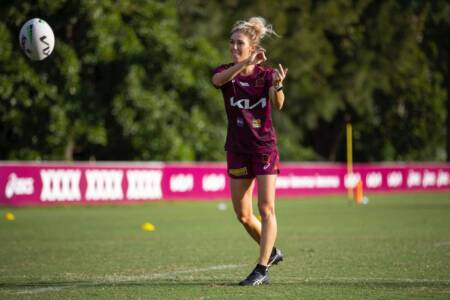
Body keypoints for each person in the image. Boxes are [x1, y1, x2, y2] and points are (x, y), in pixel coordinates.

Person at [211, 16, 288, 286]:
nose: (233, 47)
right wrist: (244, 63)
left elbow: (278, 104)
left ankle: (261, 268)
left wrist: (278, 85)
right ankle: (273, 252)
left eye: (239, 43)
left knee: (266, 208)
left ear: (251, 45)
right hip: (237, 149)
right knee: (243, 215)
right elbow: (218, 81)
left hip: (263, 148)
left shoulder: (265, 75)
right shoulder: (225, 72)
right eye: (231, 42)